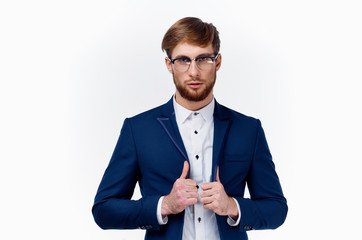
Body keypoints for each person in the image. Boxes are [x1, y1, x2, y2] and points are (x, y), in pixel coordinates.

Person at [92, 17, 287, 240]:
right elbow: (103, 210)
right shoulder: (138, 130)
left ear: (218, 62)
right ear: (169, 65)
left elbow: (277, 209)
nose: (194, 71)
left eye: (203, 59)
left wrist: (232, 206)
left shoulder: (249, 130)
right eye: (183, 60)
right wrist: (163, 205)